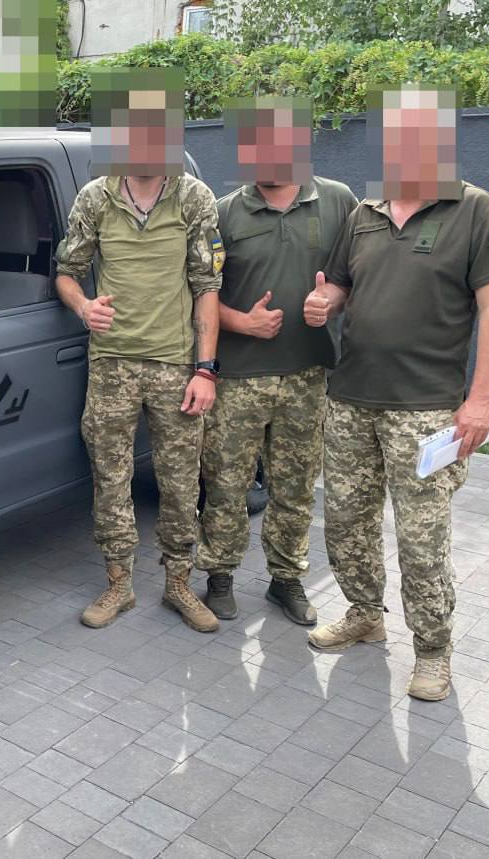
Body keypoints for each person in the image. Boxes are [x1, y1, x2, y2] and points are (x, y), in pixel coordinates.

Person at [305, 86, 489, 702]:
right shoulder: (364, 213)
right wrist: (323, 303)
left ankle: (432, 652)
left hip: (426, 409)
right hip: (351, 399)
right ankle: (364, 613)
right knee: (346, 522)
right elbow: (340, 286)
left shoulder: (476, 210)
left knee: (422, 540)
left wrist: (480, 401)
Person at [54, 77, 224, 633]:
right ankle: (118, 584)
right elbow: (67, 273)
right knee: (111, 477)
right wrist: (84, 307)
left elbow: (207, 286)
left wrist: (205, 370)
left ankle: (179, 584)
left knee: (180, 482)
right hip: (112, 364)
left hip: (176, 365)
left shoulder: (193, 197)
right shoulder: (95, 198)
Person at [195, 96, 357, 626]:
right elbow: (198, 291)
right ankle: (219, 575)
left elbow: (352, 277)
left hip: (306, 375)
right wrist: (242, 323)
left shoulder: (338, 201)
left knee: (295, 487)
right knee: (226, 484)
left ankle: (286, 580)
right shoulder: (223, 212)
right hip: (238, 378)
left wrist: (329, 300)